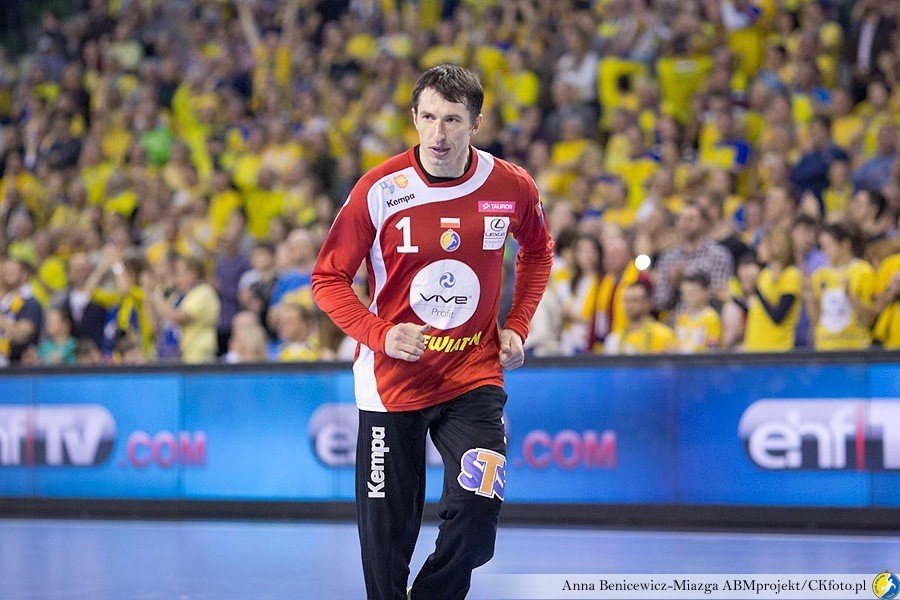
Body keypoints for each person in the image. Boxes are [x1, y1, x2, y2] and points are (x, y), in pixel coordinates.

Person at [312, 65, 553, 600]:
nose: (438, 134)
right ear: (414, 118)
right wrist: (379, 334)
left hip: (472, 374)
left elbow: (538, 252)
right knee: (385, 546)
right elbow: (327, 279)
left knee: (477, 510)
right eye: (427, 118)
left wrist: (517, 324)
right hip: (392, 382)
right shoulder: (379, 188)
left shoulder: (511, 185)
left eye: (452, 120)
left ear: (476, 123)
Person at [803, 222, 875, 351]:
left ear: (845, 245)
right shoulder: (819, 275)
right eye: (822, 247)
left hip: (854, 348)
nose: (824, 252)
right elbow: (816, 320)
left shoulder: (863, 271)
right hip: (825, 347)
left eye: (828, 246)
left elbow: (869, 319)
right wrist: (809, 295)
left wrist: (850, 295)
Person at [743, 228, 802, 352]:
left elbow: (778, 317)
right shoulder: (764, 275)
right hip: (754, 347)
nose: (759, 248)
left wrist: (757, 291)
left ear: (777, 246)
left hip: (777, 349)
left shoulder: (791, 275)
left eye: (763, 243)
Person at [604, 280, 677, 355]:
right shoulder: (614, 339)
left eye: (635, 300)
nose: (629, 305)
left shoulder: (664, 335)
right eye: (626, 301)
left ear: (648, 303)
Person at [674, 273, 721, 353]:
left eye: (692, 293)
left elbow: (712, 347)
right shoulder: (682, 318)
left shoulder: (711, 318)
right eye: (684, 293)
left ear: (706, 292)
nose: (688, 297)